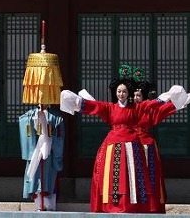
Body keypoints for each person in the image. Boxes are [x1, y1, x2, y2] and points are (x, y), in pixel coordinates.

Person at [60, 64, 186, 213]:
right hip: (113, 146)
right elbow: (95, 106)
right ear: (116, 92)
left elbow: (153, 104)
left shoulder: (136, 108)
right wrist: (76, 100)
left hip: (133, 146)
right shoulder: (110, 108)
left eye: (124, 91)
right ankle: (112, 205)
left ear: (128, 93)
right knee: (113, 177)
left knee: (133, 177)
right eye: (119, 91)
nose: (121, 94)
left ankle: (136, 205)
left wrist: (170, 96)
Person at [132, 74, 177, 213]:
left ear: (144, 96)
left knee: (150, 177)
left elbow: (164, 109)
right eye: (133, 95)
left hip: (147, 146)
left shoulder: (149, 110)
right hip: (131, 146)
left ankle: (151, 205)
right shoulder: (127, 109)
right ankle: (133, 205)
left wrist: (179, 100)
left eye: (138, 95)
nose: (135, 98)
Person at [19, 104, 64, 211]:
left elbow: (60, 136)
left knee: (49, 178)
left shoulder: (55, 117)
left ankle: (50, 206)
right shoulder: (30, 115)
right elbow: (23, 124)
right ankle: (39, 205)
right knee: (35, 178)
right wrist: (31, 121)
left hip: (49, 153)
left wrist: (49, 139)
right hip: (35, 152)